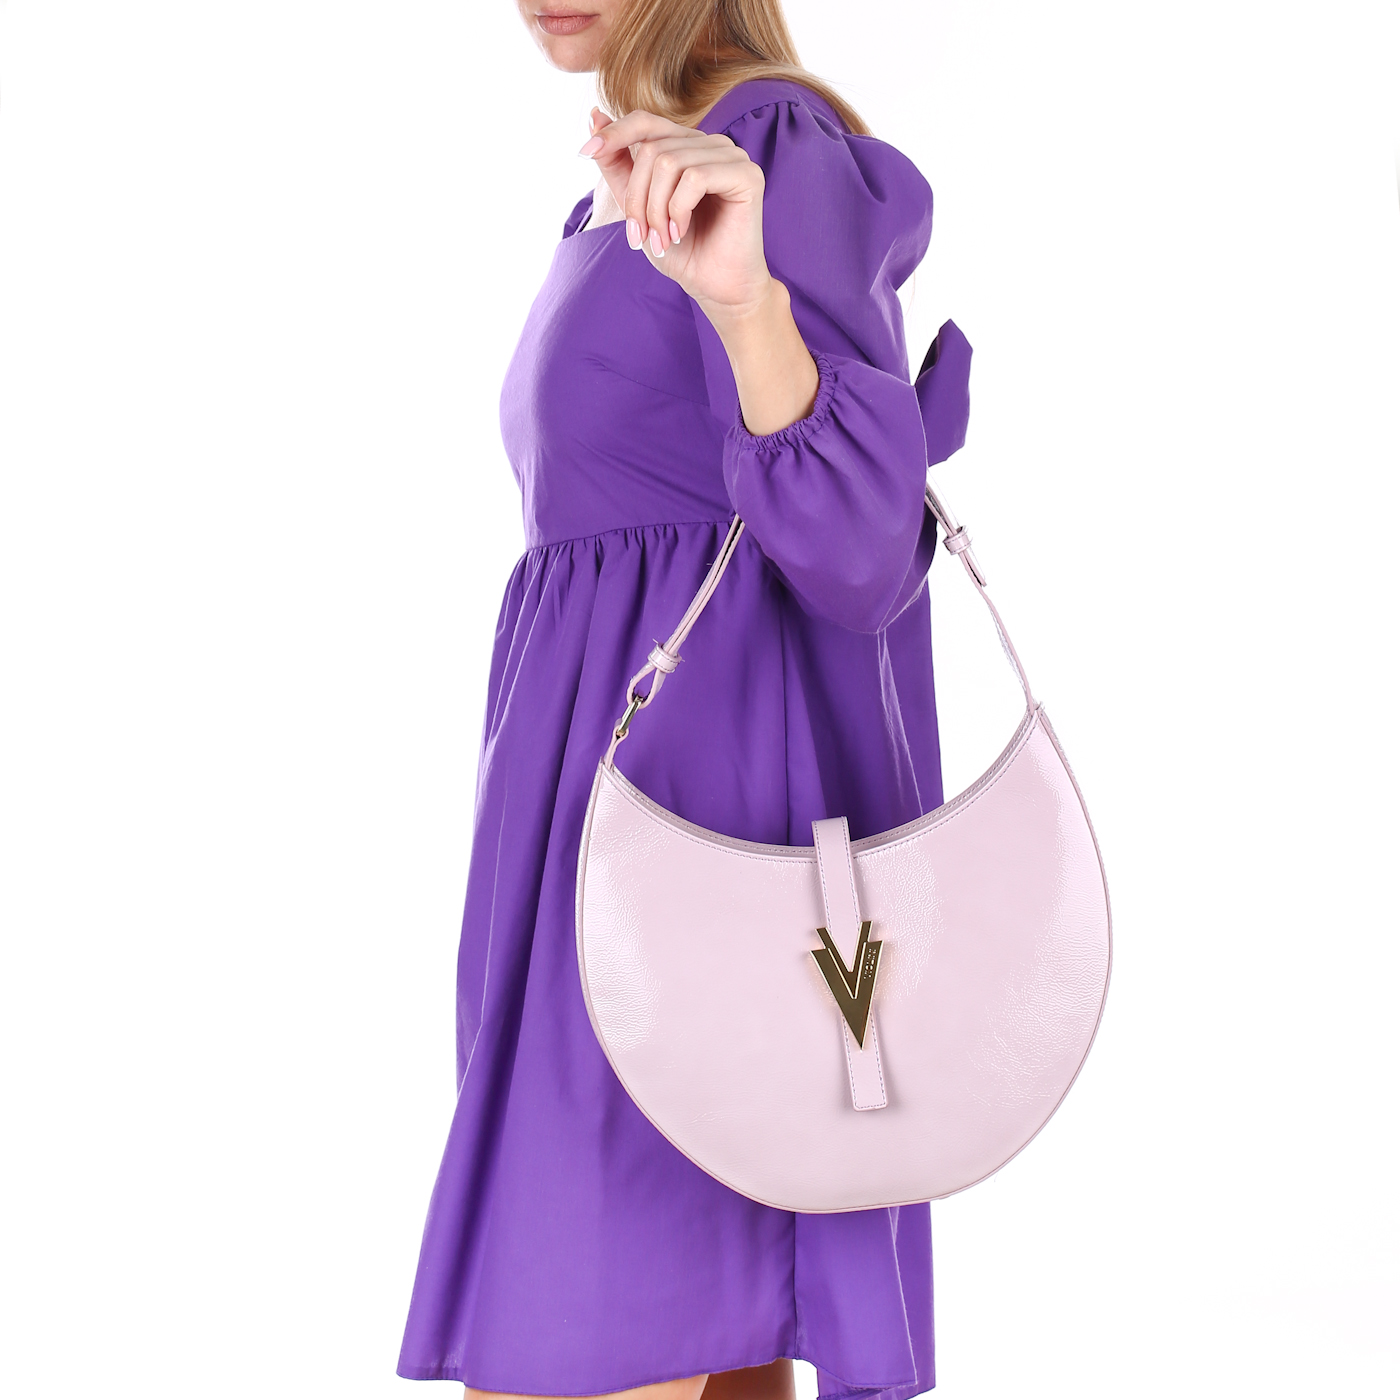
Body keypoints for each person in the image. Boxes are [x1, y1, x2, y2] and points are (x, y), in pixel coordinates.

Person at [398, 2, 973, 1397]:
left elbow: (859, 548)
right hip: (590, 846)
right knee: (693, 1339)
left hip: (692, 860)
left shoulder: (768, 142)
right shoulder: (622, 186)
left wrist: (750, 305)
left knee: (588, 1332)